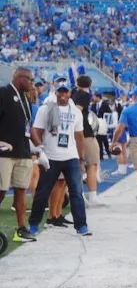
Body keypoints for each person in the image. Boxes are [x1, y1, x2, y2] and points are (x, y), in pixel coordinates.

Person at [24, 80, 90, 238]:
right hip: (51, 156)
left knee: (76, 192)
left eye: (65, 91)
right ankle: (34, 224)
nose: (62, 94)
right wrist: (40, 150)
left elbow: (79, 136)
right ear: (55, 92)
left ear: (70, 93)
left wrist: (81, 159)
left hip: (70, 156)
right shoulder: (45, 109)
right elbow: (35, 131)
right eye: (59, 91)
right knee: (42, 192)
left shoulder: (75, 111)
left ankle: (81, 226)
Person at [1, 66, 35, 242]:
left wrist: (38, 149)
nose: (32, 83)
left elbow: (28, 127)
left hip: (23, 151)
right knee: (0, 190)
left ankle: (21, 229)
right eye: (29, 79)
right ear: (19, 78)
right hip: (4, 153)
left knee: (21, 190)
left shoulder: (26, 99)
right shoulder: (3, 93)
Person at [71, 75, 101, 203]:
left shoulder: (73, 93)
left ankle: (79, 194)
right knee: (92, 164)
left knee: (77, 166)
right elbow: (78, 109)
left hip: (73, 132)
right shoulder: (84, 95)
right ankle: (92, 195)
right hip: (85, 133)